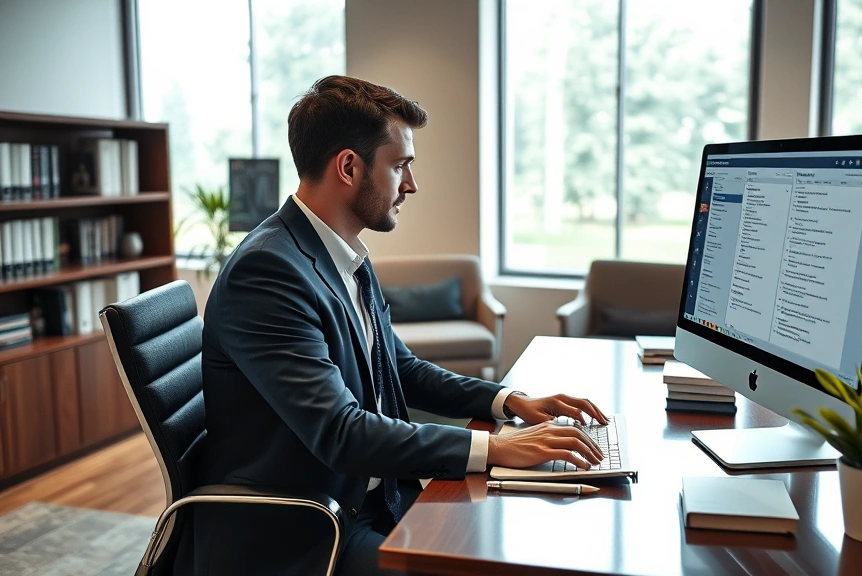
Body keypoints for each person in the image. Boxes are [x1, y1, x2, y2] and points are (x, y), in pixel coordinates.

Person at [189, 75, 609, 576]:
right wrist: (495, 446)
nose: (410, 185)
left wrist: (507, 401)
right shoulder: (268, 272)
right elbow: (341, 432)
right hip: (312, 531)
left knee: (518, 533)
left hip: (372, 499)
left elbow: (399, 368)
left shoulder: (343, 256)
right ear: (349, 166)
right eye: (400, 166)